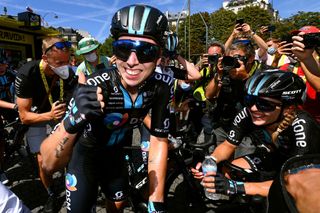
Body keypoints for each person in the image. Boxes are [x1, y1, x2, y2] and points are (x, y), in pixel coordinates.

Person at [40, 4, 173, 213]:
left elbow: (158, 140)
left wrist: (156, 200)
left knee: (117, 207)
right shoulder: (96, 85)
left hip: (115, 158)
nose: (132, 61)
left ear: (159, 55)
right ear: (113, 50)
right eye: (123, 49)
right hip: (84, 160)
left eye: (145, 51)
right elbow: (48, 163)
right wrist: (72, 121)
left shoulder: (161, 88)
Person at [191, 69, 320, 198]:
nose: (253, 108)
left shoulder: (303, 126)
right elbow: (228, 145)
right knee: (230, 170)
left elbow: (295, 184)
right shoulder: (248, 113)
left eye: (264, 104)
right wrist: (210, 161)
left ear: (288, 108)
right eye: (249, 100)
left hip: (306, 174)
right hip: (274, 157)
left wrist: (236, 187)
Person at [15, 36, 76, 213]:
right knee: (43, 161)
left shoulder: (68, 72)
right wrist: (48, 115)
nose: (64, 66)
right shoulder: (27, 73)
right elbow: (24, 116)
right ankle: (51, 192)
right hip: (37, 115)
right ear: (44, 58)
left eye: (67, 61)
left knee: (69, 152)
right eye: (58, 62)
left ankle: (72, 185)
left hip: (59, 114)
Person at [0, 55, 18, 185]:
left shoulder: (12, 74)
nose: (1, 67)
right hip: (5, 106)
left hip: (11, 105)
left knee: (21, 124)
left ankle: (17, 143)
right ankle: (1, 170)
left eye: (3, 64)